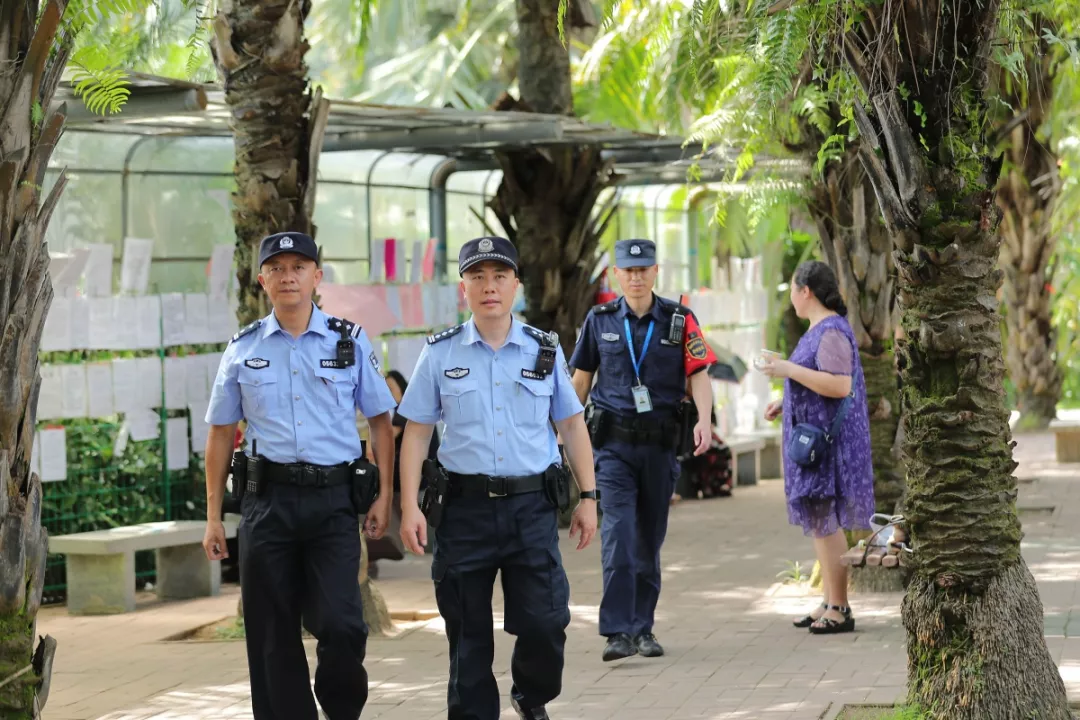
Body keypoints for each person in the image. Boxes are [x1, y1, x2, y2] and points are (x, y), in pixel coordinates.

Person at [395, 236, 599, 720]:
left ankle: (530, 693)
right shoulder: (439, 353)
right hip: (463, 512)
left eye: (499, 276)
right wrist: (408, 507)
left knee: (546, 621)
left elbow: (572, 425)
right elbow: (417, 433)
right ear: (463, 287)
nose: (489, 286)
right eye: (478, 276)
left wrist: (589, 497)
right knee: (467, 636)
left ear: (516, 286)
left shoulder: (543, 349)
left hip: (531, 509)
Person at [201, 231, 398, 720]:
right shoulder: (242, 348)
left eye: (298, 267)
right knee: (271, 631)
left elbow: (380, 421)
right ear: (262, 280)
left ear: (316, 276)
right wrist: (213, 517)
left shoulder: (349, 341)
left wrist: (384, 494)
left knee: (343, 623)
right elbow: (221, 433)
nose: (287, 276)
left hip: (333, 502)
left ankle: (341, 710)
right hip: (266, 504)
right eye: (277, 268)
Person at [568, 238, 717, 662]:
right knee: (618, 535)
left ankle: (643, 628)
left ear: (655, 272)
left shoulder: (679, 320)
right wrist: (561, 433)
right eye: (628, 271)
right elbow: (581, 380)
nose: (636, 277)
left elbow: (699, 374)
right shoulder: (599, 320)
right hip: (612, 448)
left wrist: (704, 420)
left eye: (643, 269)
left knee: (648, 540)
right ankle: (617, 631)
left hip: (659, 447)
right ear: (617, 274)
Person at [759, 260, 874, 635]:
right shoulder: (819, 329)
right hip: (814, 442)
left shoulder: (832, 330)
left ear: (805, 290)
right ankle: (828, 600)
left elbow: (839, 385)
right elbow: (818, 382)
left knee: (826, 522)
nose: (792, 297)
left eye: (793, 290)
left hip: (827, 446)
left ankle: (840, 606)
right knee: (818, 521)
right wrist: (786, 401)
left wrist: (788, 371)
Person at [365, 369, 441, 574]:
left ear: (403, 388)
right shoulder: (400, 412)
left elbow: (386, 436)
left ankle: (383, 541)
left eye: (391, 388)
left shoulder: (404, 412)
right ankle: (378, 544)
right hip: (412, 476)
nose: (388, 393)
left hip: (416, 477)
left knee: (376, 489)